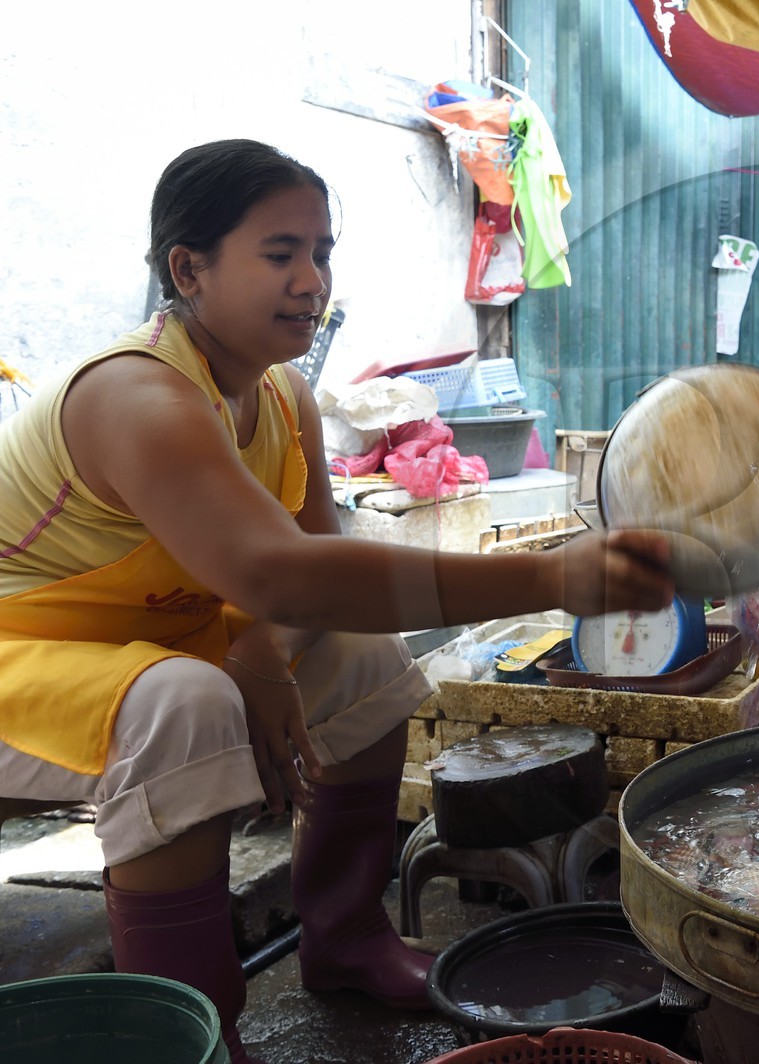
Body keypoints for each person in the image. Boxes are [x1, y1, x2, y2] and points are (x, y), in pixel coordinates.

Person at [0, 140, 673, 1063]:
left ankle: (347, 939)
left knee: (362, 658)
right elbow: (283, 577)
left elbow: (317, 559)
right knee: (184, 707)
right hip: (25, 651)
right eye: (280, 254)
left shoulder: (282, 396)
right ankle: (200, 1025)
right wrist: (552, 578)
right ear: (187, 269)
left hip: (163, 638)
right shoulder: (133, 395)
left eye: (321, 253)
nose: (311, 282)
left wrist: (263, 654)